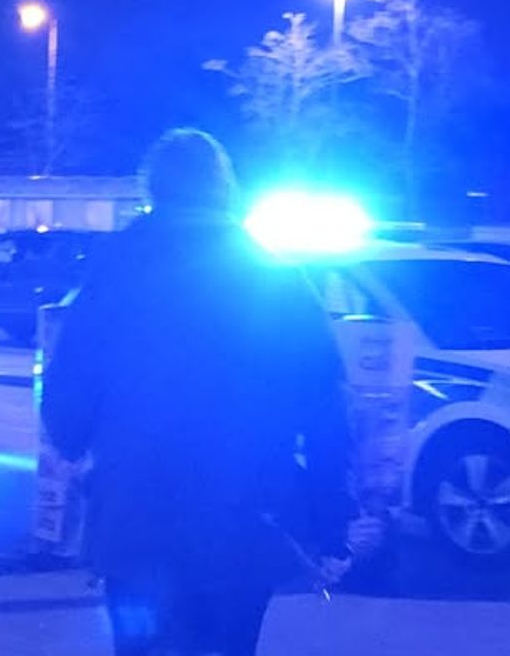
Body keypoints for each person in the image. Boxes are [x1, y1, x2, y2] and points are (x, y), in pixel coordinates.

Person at [42, 128, 355, 656]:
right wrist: (331, 518)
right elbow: (324, 404)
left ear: (154, 190)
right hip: (243, 524)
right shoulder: (275, 275)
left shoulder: (114, 271)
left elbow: (67, 398)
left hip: (135, 522)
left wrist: (80, 450)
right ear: (224, 189)